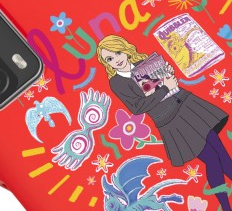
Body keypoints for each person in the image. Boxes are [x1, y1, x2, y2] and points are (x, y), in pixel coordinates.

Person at [96, 34, 232, 211]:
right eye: (110, 59)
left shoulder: (143, 63)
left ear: (126, 50)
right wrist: (165, 88)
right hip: (171, 120)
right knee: (212, 158)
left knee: (221, 153)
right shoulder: (117, 82)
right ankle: (226, 206)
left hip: (186, 105)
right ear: (106, 63)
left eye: (118, 52)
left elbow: (163, 86)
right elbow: (137, 107)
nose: (116, 59)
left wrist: (167, 76)